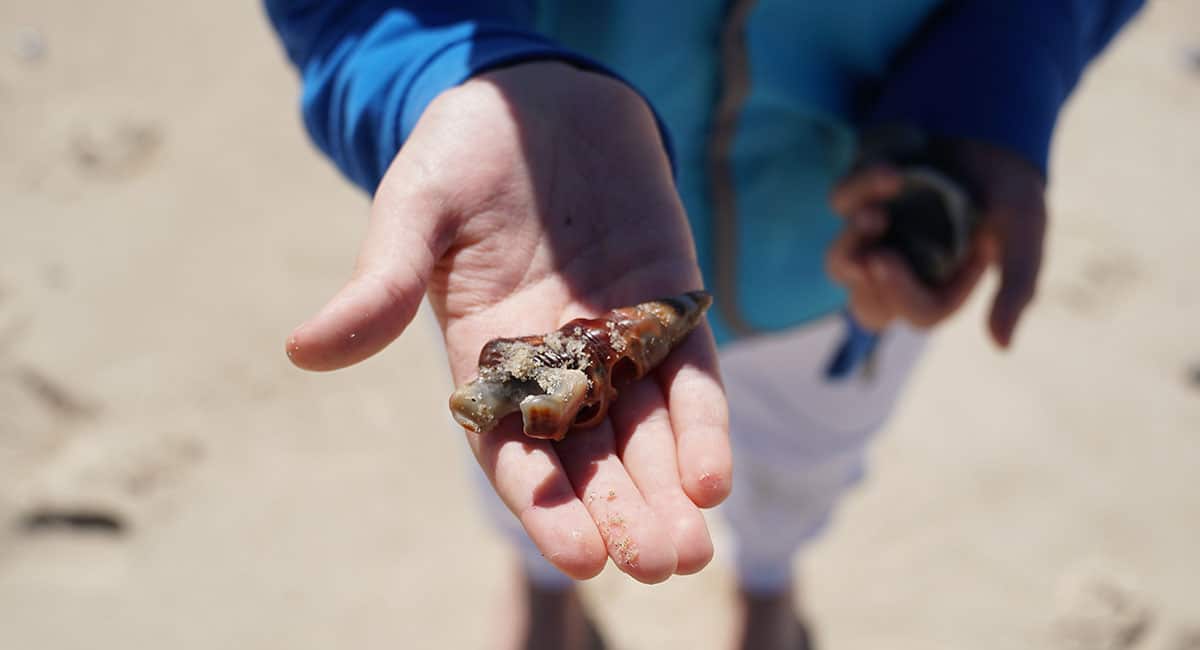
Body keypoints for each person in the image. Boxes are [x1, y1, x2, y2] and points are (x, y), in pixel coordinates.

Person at [264, 2, 1144, 648]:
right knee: (535, 490)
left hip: (844, 240)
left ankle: (767, 578)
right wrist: (449, 75)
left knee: (810, 458)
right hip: (528, 233)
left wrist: (991, 88)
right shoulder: (511, 337)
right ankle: (545, 586)